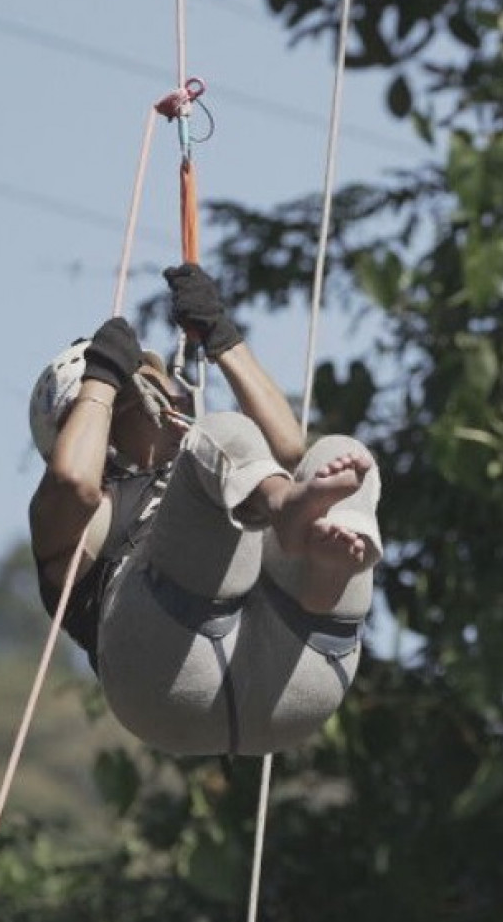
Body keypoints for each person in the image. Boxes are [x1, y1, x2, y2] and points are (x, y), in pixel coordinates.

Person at [27, 264, 382, 757]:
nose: (171, 398)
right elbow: (73, 480)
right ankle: (292, 518)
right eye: (146, 395)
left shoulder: (214, 475)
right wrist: (102, 380)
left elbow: (290, 450)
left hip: (296, 682)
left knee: (340, 455)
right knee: (225, 435)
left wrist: (222, 336)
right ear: (102, 426)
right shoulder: (79, 514)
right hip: (166, 682)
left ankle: (325, 576)